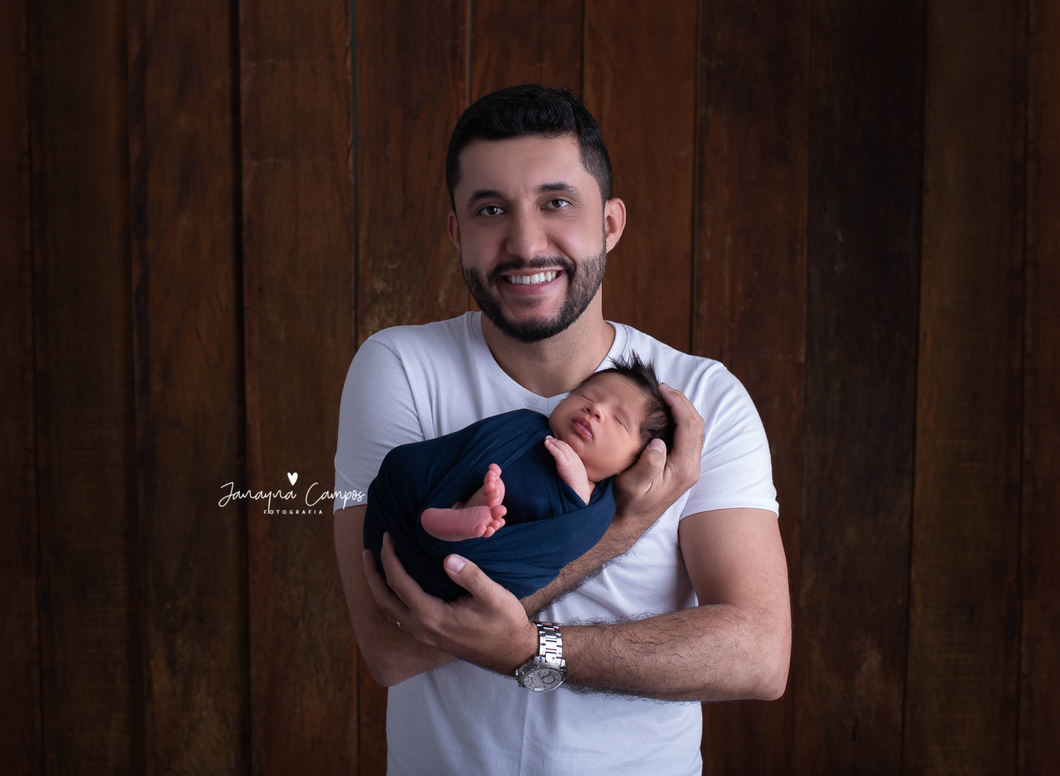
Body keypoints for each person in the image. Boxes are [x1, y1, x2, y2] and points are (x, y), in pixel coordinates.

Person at [332, 84, 790, 775]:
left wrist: (532, 650)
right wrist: (623, 527)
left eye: (556, 203)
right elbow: (389, 646)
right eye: (490, 209)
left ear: (610, 223)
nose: (524, 243)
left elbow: (759, 654)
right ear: (456, 232)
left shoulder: (699, 400)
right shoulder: (398, 367)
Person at [363, 356, 674, 602]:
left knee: (497, 514)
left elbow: (571, 530)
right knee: (483, 486)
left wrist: (577, 480)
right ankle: (460, 510)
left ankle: (461, 524)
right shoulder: (524, 426)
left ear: (633, 463)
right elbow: (471, 449)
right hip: (448, 496)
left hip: (506, 542)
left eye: (618, 420)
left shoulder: (599, 503)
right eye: (586, 395)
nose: (596, 409)